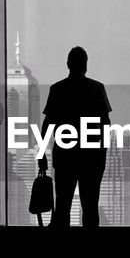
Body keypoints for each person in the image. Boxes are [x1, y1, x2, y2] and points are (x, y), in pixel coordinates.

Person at [41, 46, 111, 230]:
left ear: (68, 64)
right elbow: (105, 125)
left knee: (62, 207)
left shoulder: (57, 89)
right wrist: (102, 155)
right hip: (91, 157)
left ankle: (61, 254)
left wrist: (41, 154)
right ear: (85, 65)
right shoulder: (97, 89)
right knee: (90, 208)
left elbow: (48, 124)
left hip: (65, 156)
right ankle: (90, 254)